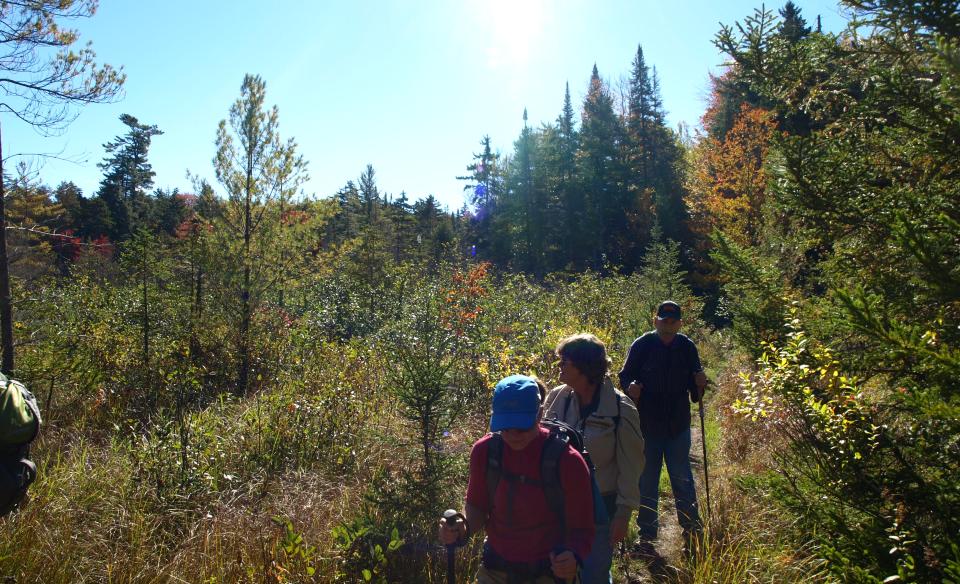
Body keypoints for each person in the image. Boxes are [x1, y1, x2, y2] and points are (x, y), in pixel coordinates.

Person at [439, 374, 595, 584]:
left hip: (549, 574)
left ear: (539, 415)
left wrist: (573, 556)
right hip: (495, 569)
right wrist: (461, 528)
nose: (513, 434)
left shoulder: (567, 461)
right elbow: (477, 506)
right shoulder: (486, 451)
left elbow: (583, 528)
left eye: (522, 427)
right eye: (505, 426)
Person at [543, 334, 645, 584]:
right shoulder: (557, 397)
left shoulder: (621, 409)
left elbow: (631, 466)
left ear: (583, 366)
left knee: (594, 573)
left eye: (564, 361)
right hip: (557, 503)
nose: (559, 366)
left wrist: (623, 513)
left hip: (601, 507)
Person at [618, 301, 708, 557]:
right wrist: (629, 387)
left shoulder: (686, 346)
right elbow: (624, 376)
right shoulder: (642, 345)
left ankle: (692, 531)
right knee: (647, 481)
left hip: (678, 424)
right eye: (663, 320)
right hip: (647, 425)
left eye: (673, 321)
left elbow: (696, 387)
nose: (668, 325)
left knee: (682, 478)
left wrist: (701, 383)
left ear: (680, 323)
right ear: (655, 321)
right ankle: (647, 537)